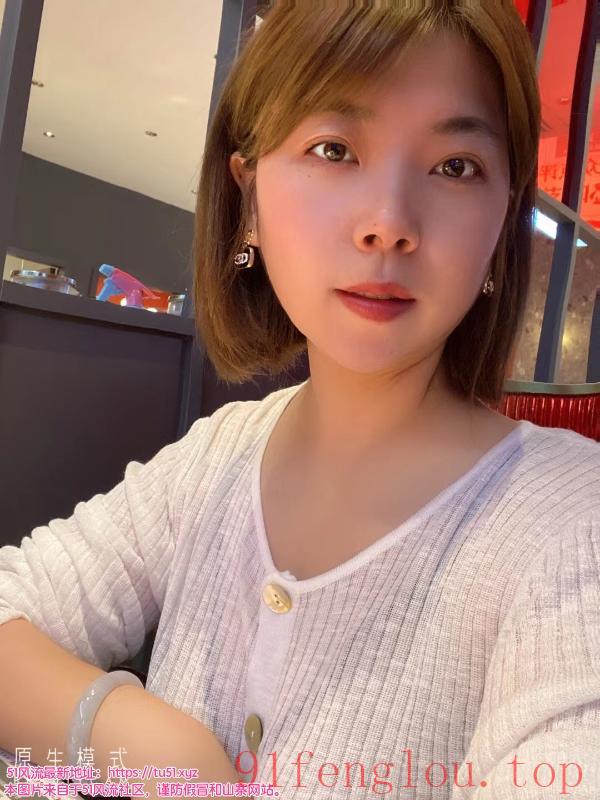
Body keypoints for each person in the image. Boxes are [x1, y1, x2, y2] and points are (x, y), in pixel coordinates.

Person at [1, 1, 599, 798]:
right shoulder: (216, 458)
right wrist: (164, 753)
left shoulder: (571, 523)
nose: (389, 225)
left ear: (501, 218)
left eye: (456, 166)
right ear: (248, 191)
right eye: (334, 149)